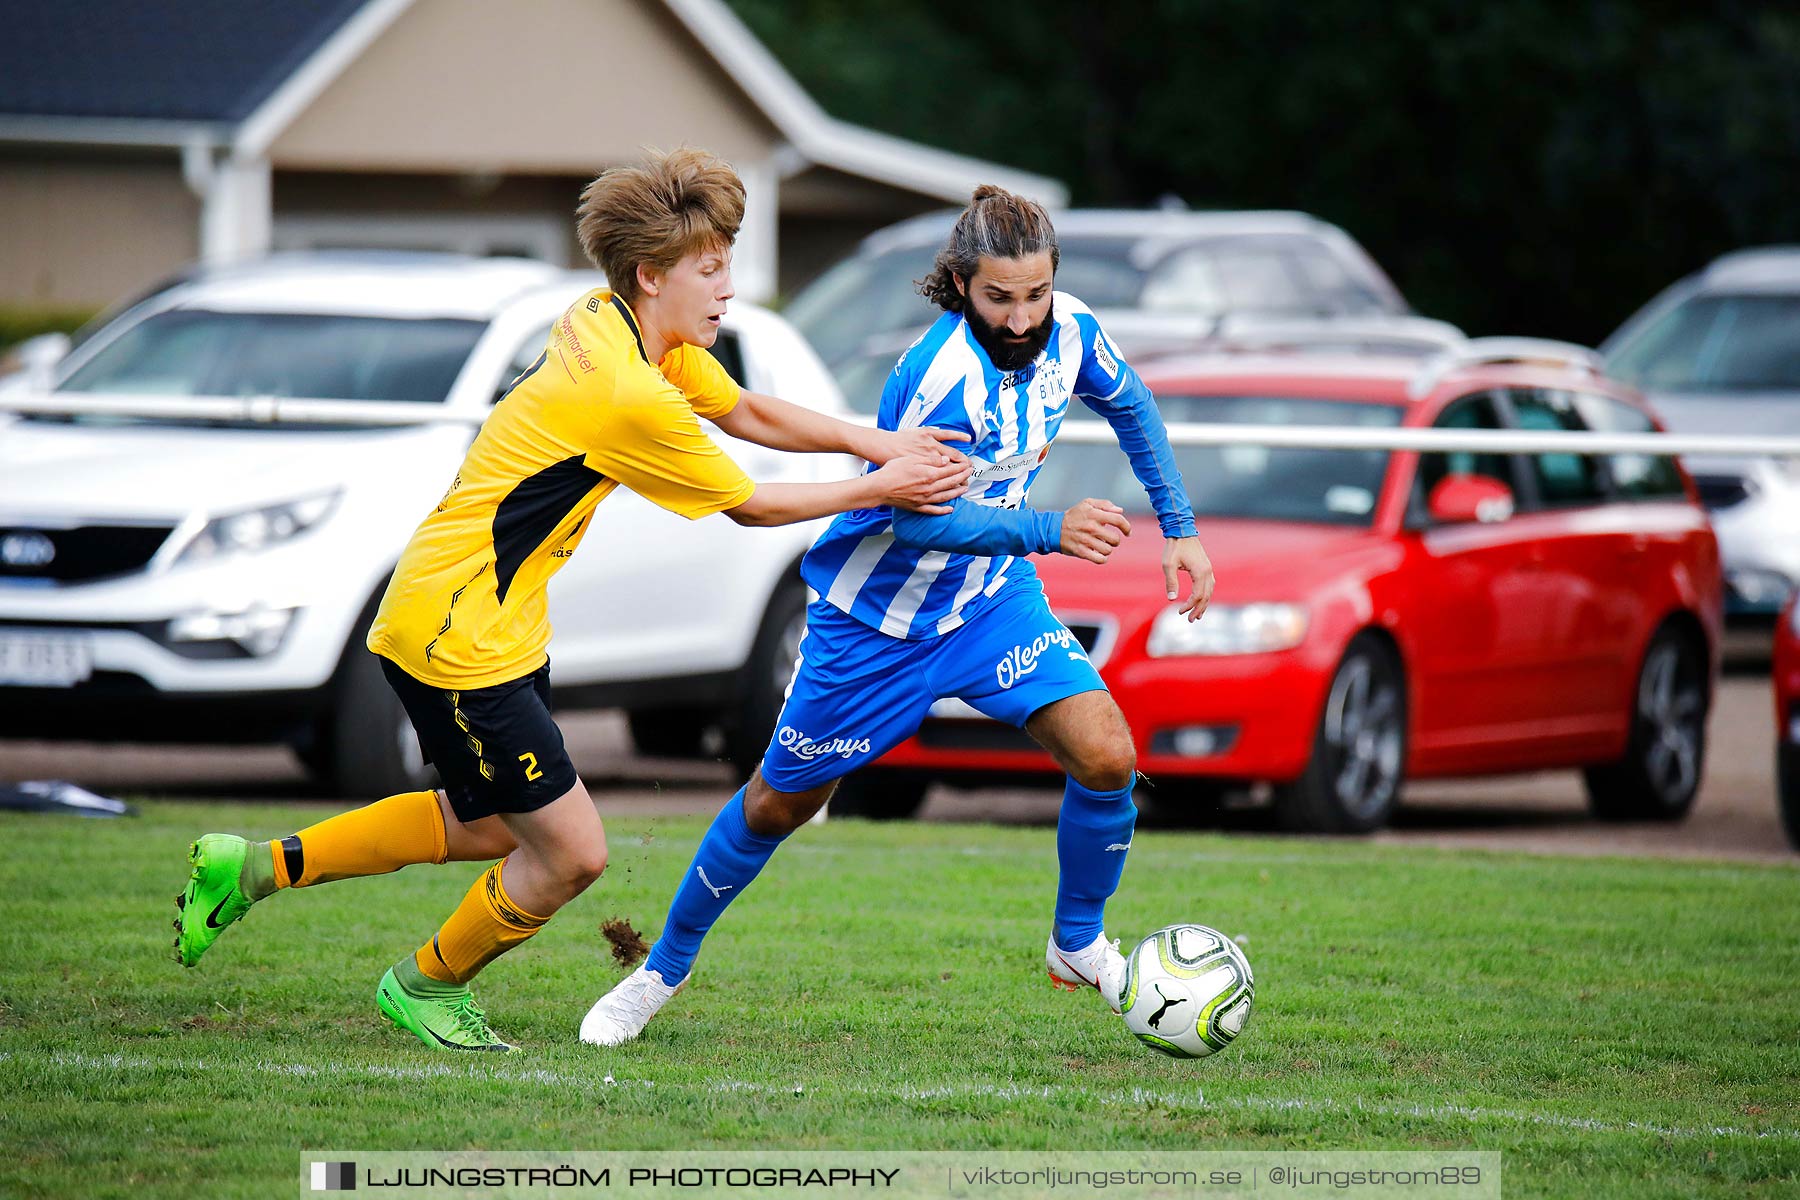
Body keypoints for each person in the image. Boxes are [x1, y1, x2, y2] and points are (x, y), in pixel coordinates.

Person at [171, 147, 971, 1052]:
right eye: (711, 271)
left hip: (485, 623)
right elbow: (754, 506)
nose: (728, 290)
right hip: (458, 636)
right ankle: (426, 986)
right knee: (572, 852)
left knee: (483, 827)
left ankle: (251, 869)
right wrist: (884, 485)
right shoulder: (626, 391)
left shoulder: (612, 323)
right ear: (651, 274)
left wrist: (880, 443)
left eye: (727, 267)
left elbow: (745, 411)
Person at [581, 185, 1215, 1047]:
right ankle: (660, 971)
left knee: (1107, 754)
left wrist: (1179, 528)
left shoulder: (1072, 332)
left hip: (988, 605)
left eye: (1036, 294)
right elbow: (921, 516)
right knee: (777, 806)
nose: (1022, 317)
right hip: (872, 624)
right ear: (960, 285)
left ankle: (1077, 943)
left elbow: (1133, 406)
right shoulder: (937, 374)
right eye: (999, 298)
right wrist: (1047, 529)